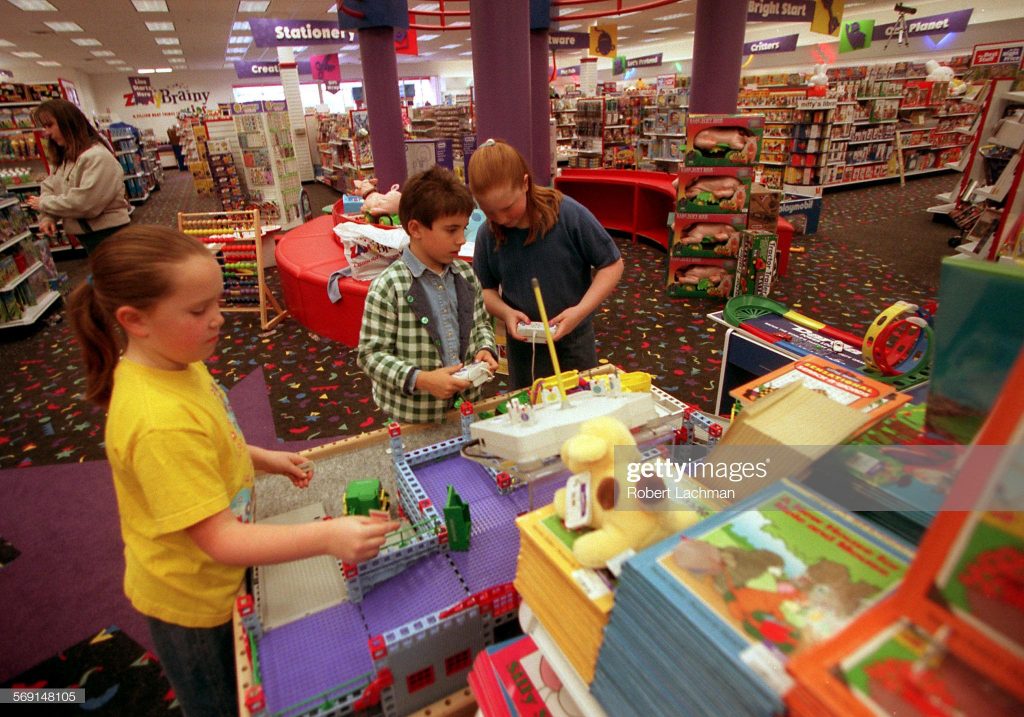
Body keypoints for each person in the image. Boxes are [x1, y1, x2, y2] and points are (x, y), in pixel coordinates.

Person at [68, 226, 398, 717]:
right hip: (195, 603)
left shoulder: (177, 361)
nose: (218, 318)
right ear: (135, 320)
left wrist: (261, 457)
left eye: (217, 303)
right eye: (198, 310)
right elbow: (219, 539)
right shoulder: (158, 423)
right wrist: (329, 536)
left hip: (220, 575)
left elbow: (214, 437)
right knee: (223, 701)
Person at [468, 139, 624, 390]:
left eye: (507, 207)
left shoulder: (568, 214)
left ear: (525, 183)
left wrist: (580, 311)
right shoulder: (488, 233)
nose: (501, 219)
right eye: (490, 212)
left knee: (579, 399)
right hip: (524, 349)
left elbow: (612, 265)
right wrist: (506, 312)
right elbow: (484, 289)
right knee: (530, 403)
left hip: (574, 341)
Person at [357, 166, 498, 424]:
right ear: (416, 228)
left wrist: (486, 349)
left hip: (468, 408)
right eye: (451, 230)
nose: (461, 239)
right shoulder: (389, 287)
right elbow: (370, 356)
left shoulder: (466, 275)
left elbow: (481, 325)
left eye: (464, 228)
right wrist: (421, 379)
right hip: (412, 419)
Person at [27, 99, 131, 254]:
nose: (46, 133)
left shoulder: (97, 157)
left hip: (109, 234)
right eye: (44, 127)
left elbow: (86, 204)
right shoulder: (63, 157)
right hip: (87, 234)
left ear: (68, 122)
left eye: (50, 125)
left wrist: (43, 203)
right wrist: (48, 217)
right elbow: (50, 187)